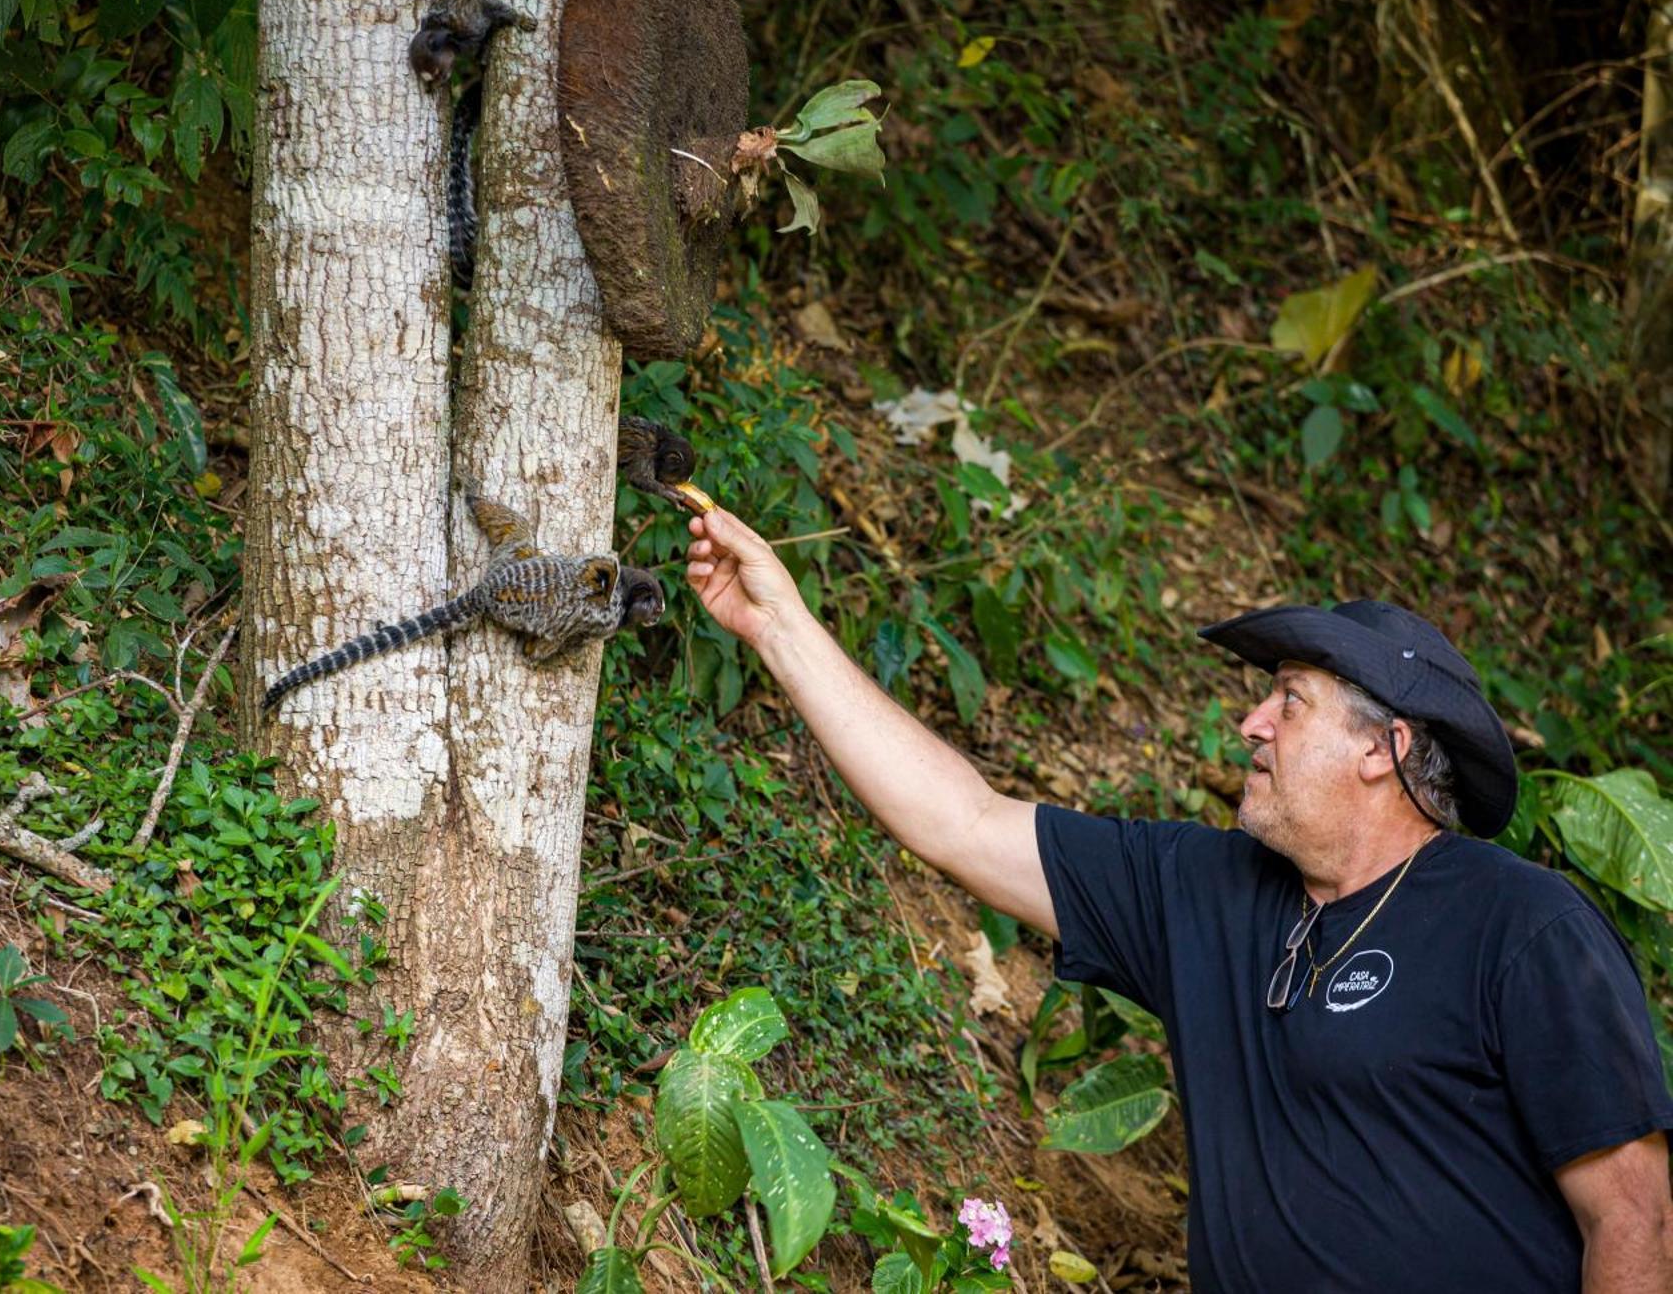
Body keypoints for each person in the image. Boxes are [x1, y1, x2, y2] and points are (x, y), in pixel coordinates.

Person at [683, 505, 1673, 1292]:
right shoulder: (1204, 891)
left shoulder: (1519, 923)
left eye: (1287, 699)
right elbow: (962, 822)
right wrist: (778, 623)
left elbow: (1631, 1218)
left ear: (1381, 749)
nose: (1248, 722)